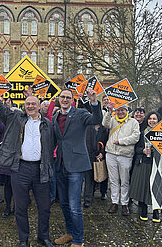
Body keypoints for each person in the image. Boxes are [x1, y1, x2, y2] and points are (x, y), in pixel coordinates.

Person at [0, 75, 55, 247]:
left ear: (40, 106)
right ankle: (23, 239)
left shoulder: (47, 124)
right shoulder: (15, 118)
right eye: (28, 104)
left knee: (45, 207)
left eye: (34, 104)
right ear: (24, 106)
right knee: (21, 207)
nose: (31, 106)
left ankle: (43, 236)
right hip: (20, 169)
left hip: (41, 170)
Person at [52, 88, 102, 247]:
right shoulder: (55, 116)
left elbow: (96, 119)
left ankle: (78, 240)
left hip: (76, 165)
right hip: (60, 165)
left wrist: (94, 101)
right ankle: (69, 233)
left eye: (68, 97)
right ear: (59, 99)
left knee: (74, 205)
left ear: (72, 100)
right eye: (63, 97)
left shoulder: (80, 113)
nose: (65, 100)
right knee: (64, 203)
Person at [129, 111, 162, 223]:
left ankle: (156, 212)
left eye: (154, 119)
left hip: (158, 165)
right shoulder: (142, 133)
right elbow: (136, 149)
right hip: (145, 163)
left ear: (158, 121)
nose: (152, 121)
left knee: (157, 187)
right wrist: (142, 150)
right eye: (150, 119)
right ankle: (143, 210)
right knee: (144, 187)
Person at [102, 103, 140, 216]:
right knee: (113, 180)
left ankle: (124, 203)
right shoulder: (113, 119)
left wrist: (121, 141)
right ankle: (114, 202)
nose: (120, 112)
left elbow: (135, 137)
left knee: (124, 180)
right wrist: (109, 111)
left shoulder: (133, 122)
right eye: (118, 110)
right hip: (111, 153)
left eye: (122, 110)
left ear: (126, 110)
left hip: (125, 154)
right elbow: (105, 124)